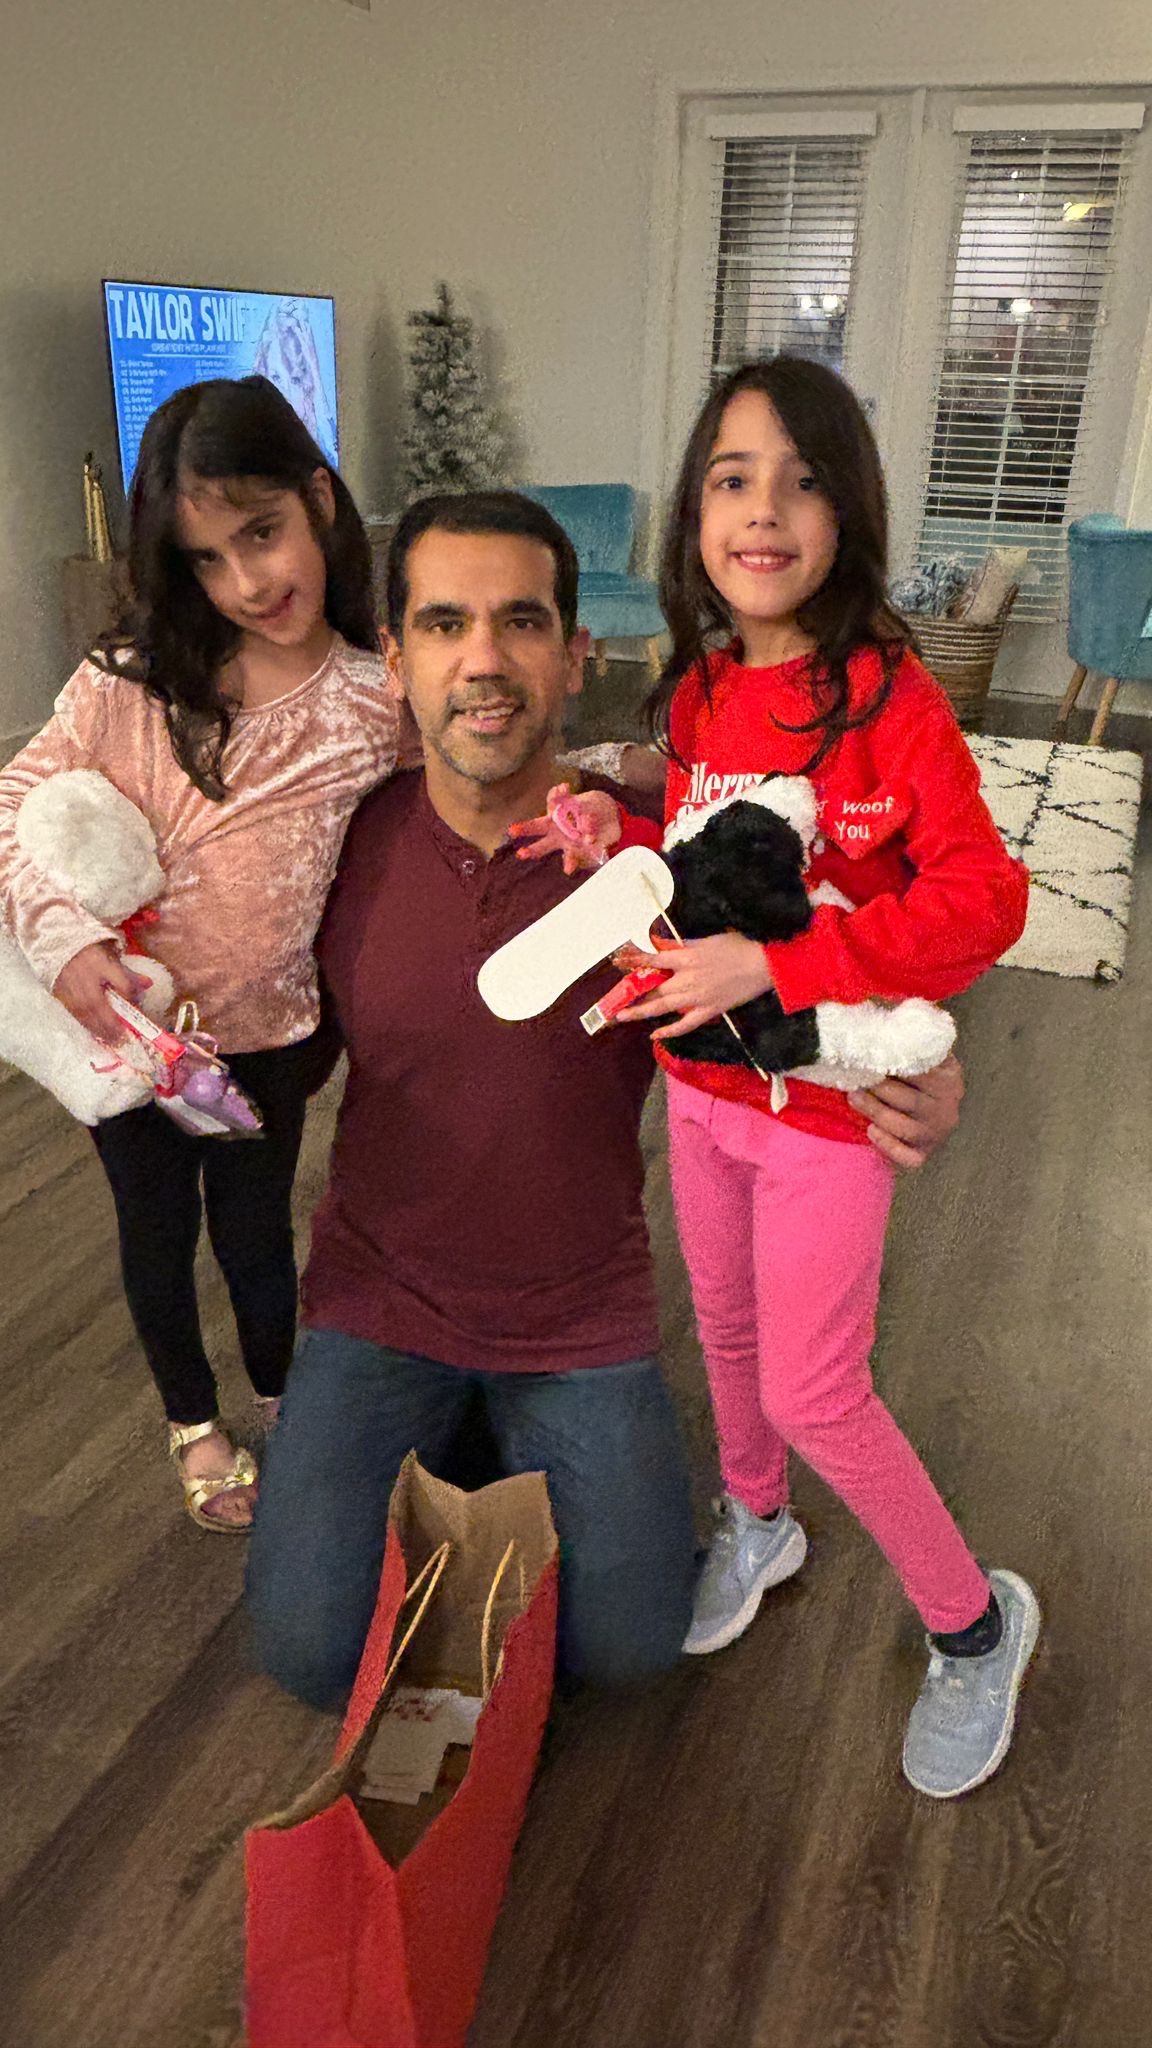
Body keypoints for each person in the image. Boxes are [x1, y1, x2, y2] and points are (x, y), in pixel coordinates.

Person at [245, 488, 968, 1706]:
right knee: (312, 1649)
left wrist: (927, 1075)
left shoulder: (657, 864)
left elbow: (831, 953)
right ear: (396, 659)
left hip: (576, 1316)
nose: (484, 660)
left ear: (576, 654)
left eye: (522, 621)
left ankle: (487, 1440)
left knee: (631, 1644)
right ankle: (448, 1435)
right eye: (444, 623)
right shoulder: (339, 845)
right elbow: (265, 1022)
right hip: (381, 1301)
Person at [523, 359, 1040, 1797]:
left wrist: (788, 964)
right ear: (696, 512)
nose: (765, 511)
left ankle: (975, 1625)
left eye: (804, 482)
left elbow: (985, 902)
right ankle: (759, 1521)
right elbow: (708, 865)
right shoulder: (699, 691)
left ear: (849, 511)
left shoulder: (890, 697)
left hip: (823, 1112)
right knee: (729, 1332)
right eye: (734, 479)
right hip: (700, 1096)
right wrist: (616, 839)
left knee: (818, 1391)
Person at [0, 376, 402, 1529]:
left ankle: (283, 1391)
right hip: (130, 1041)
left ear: (318, 497)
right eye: (207, 559)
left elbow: (459, 805)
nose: (246, 582)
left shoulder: (376, 698)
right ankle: (193, 1419)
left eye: (261, 533)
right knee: (157, 1232)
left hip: (269, 1038)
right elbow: (13, 797)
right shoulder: (130, 678)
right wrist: (66, 941)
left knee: (257, 1232)